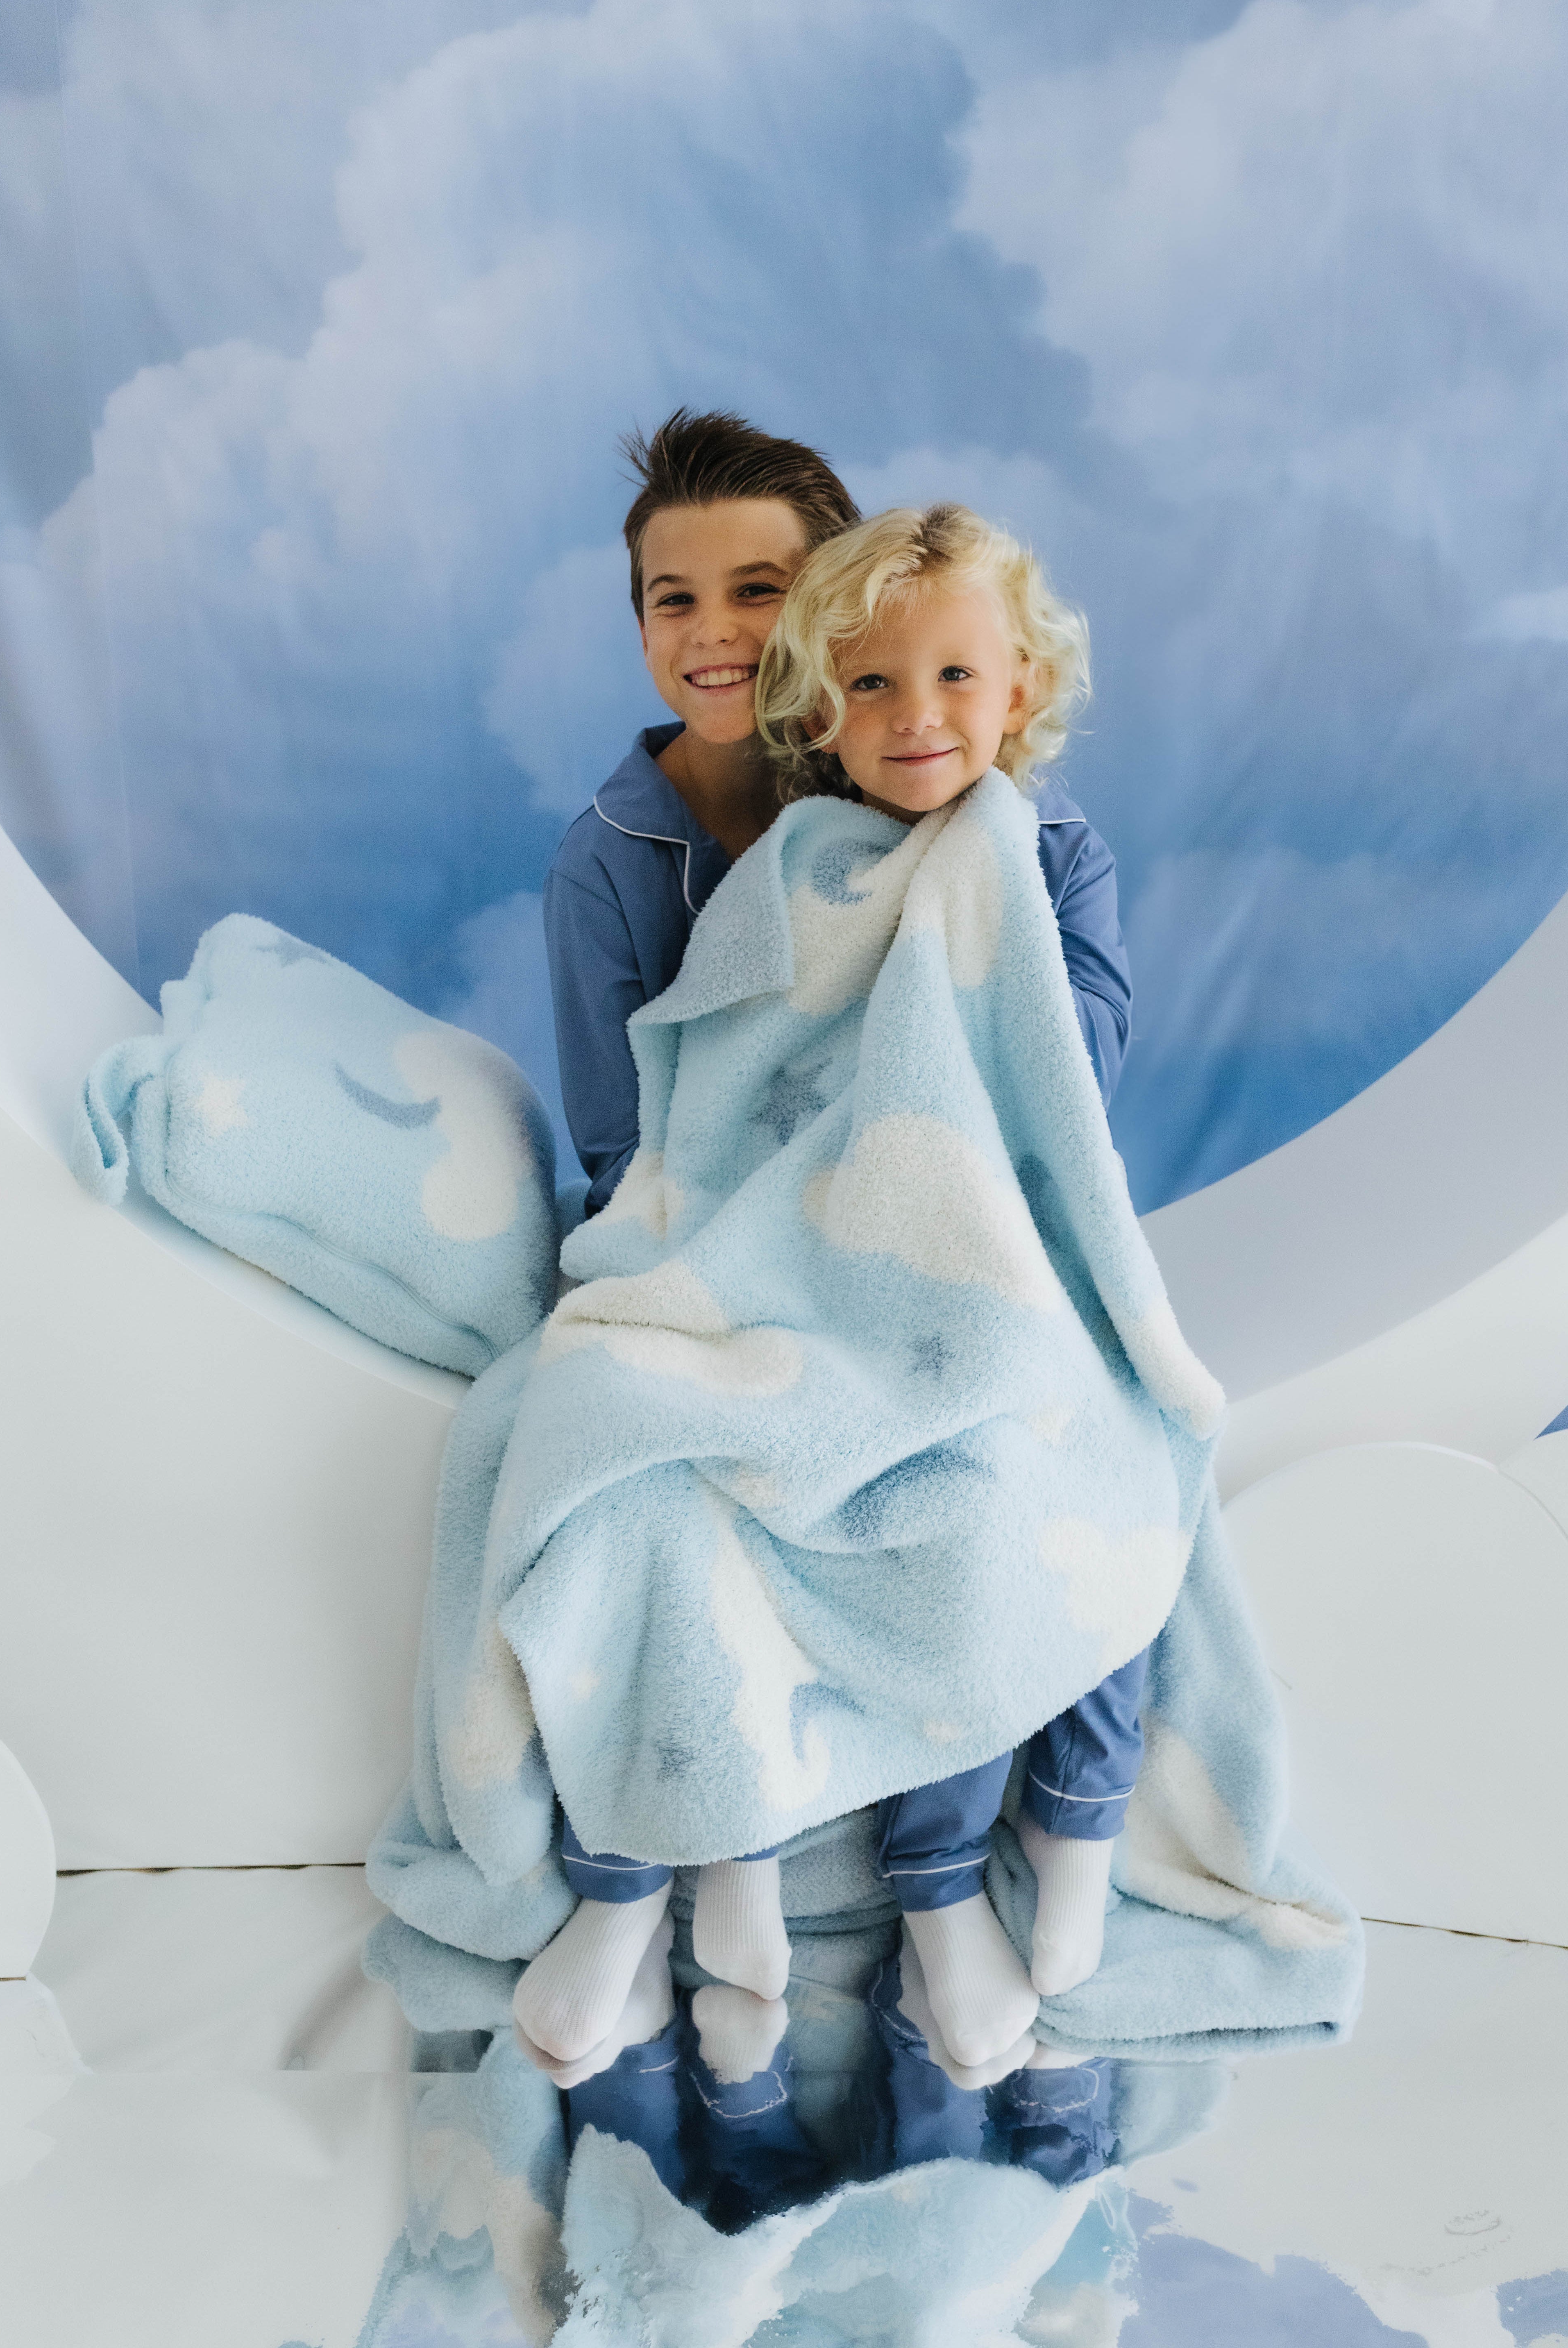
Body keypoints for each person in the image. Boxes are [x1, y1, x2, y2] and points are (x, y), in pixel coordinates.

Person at [520, 421, 1131, 2073]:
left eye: (759, 590)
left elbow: (1034, 1080)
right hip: (724, 1243)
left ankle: (974, 1868)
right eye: (671, 598)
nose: (714, 630)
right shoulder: (662, 856)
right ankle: (652, 1871)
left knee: (1015, 1457)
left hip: (943, 1249)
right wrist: (711, 1265)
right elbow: (639, 1121)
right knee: (639, 1455)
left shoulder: (926, 797)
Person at [755, 500, 1148, 2060]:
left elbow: (1086, 1068)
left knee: (1108, 1481)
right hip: (859, 1268)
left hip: (1033, 1261)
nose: (916, 721)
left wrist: (980, 899)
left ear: (1019, 696)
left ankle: (1080, 1813)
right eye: (870, 687)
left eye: (954, 682)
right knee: (934, 1515)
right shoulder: (812, 866)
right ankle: (930, 1866)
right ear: (822, 711)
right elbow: (760, 1072)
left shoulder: (1056, 854)